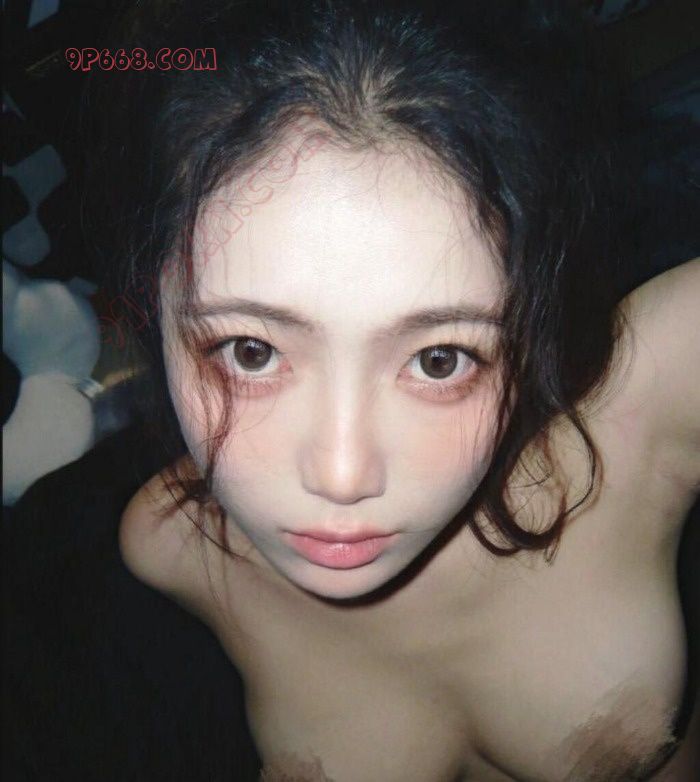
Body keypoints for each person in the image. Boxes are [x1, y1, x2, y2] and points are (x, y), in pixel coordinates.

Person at [6, 1, 699, 780]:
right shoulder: (167, 548)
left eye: (439, 360)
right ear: (151, 308)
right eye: (251, 352)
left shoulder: (649, 401)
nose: (341, 476)